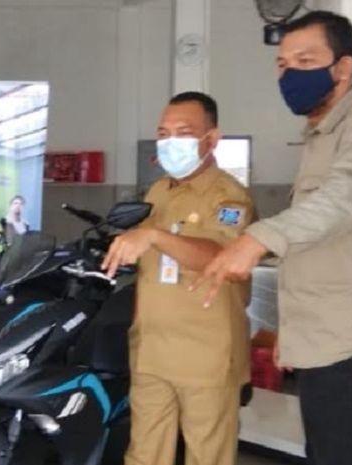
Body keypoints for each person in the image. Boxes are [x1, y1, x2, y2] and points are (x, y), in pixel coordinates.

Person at [192, 11, 352, 465]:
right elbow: (325, 252)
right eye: (282, 63)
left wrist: (257, 239)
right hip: (324, 341)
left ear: (343, 67)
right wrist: (292, 333)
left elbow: (343, 199)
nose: (289, 73)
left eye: (305, 60)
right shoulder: (319, 136)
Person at [102, 92, 255, 465]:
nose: (171, 143)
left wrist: (154, 236)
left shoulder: (229, 197)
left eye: (183, 133)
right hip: (152, 348)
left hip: (205, 355)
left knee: (207, 456)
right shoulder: (159, 191)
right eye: (163, 134)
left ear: (211, 139)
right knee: (144, 455)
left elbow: (222, 258)